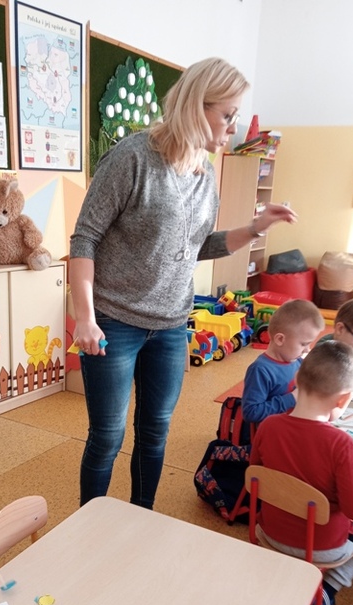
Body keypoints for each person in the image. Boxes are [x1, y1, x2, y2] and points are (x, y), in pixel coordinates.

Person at [69, 57, 297, 509]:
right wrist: (85, 318)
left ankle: (142, 515)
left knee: (155, 432)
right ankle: (87, 524)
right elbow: (84, 238)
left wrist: (256, 227)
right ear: (197, 105)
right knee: (108, 435)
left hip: (171, 325)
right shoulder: (132, 157)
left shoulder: (204, 174)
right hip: (114, 323)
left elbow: (199, 244)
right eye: (227, 115)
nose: (232, 128)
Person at [250, 341, 353, 605]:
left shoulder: (268, 426)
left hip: (267, 532)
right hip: (322, 546)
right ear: (343, 400)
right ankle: (328, 588)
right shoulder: (341, 444)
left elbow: (255, 475)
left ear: (297, 379)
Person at [242, 299, 324, 426]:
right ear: (280, 339)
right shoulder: (260, 370)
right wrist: (292, 398)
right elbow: (251, 412)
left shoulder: (298, 362)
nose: (307, 349)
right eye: (303, 344)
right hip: (274, 432)